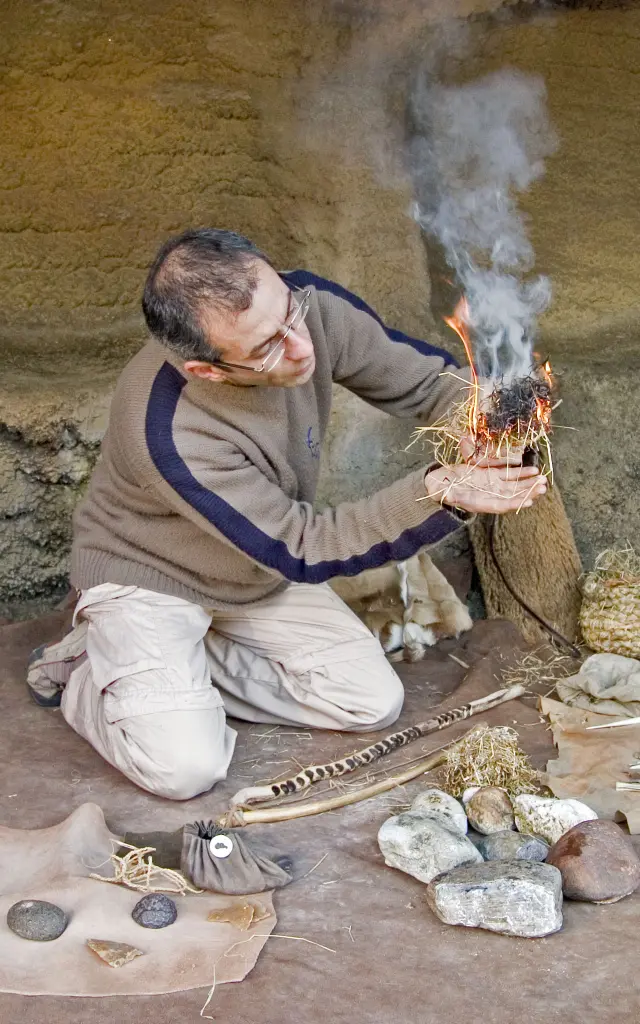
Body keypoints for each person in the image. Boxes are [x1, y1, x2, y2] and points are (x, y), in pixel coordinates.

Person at [27, 229, 547, 800]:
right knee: (185, 768)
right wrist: (441, 493)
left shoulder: (307, 308)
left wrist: (488, 423)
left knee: (370, 701)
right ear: (208, 370)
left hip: (251, 571)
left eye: (289, 315)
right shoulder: (168, 431)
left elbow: (425, 383)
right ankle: (88, 671)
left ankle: (175, 675)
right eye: (267, 347)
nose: (301, 346)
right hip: (152, 579)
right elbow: (300, 544)